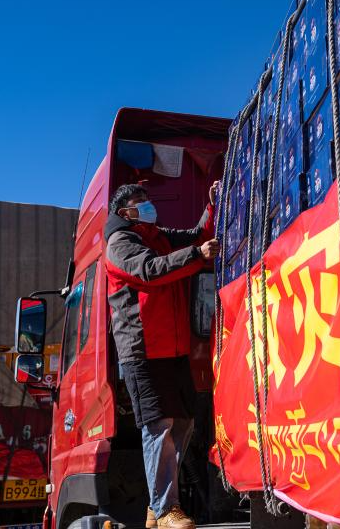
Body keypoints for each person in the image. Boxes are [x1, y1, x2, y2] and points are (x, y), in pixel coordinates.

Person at [104, 182, 221, 529]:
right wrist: (197, 255)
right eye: (140, 201)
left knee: (184, 423)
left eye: (148, 199)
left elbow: (196, 237)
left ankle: (157, 507)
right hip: (142, 352)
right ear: (125, 212)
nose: (148, 205)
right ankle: (166, 508)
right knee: (158, 426)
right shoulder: (120, 243)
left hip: (173, 349)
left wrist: (211, 206)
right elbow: (151, 271)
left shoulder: (157, 236)